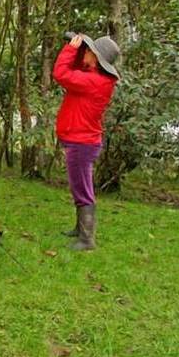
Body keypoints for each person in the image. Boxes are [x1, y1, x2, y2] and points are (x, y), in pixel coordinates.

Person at [52, 32, 121, 250]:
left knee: (82, 189)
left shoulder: (94, 81)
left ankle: (87, 239)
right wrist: (81, 49)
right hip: (81, 141)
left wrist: (71, 49)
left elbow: (61, 73)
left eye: (89, 51)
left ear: (97, 58)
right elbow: (75, 72)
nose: (86, 53)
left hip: (81, 143)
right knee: (78, 186)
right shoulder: (94, 77)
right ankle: (80, 228)